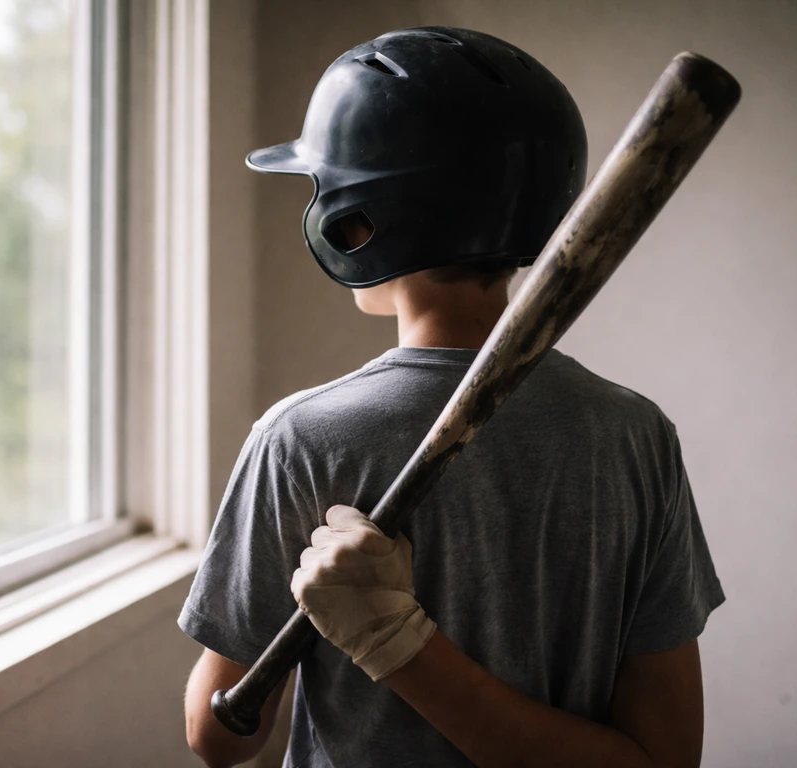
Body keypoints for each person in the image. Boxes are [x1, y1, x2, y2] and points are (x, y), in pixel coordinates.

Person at [180, 26, 724, 768]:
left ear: (354, 219)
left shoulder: (301, 439)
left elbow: (217, 739)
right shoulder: (635, 435)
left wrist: (393, 642)